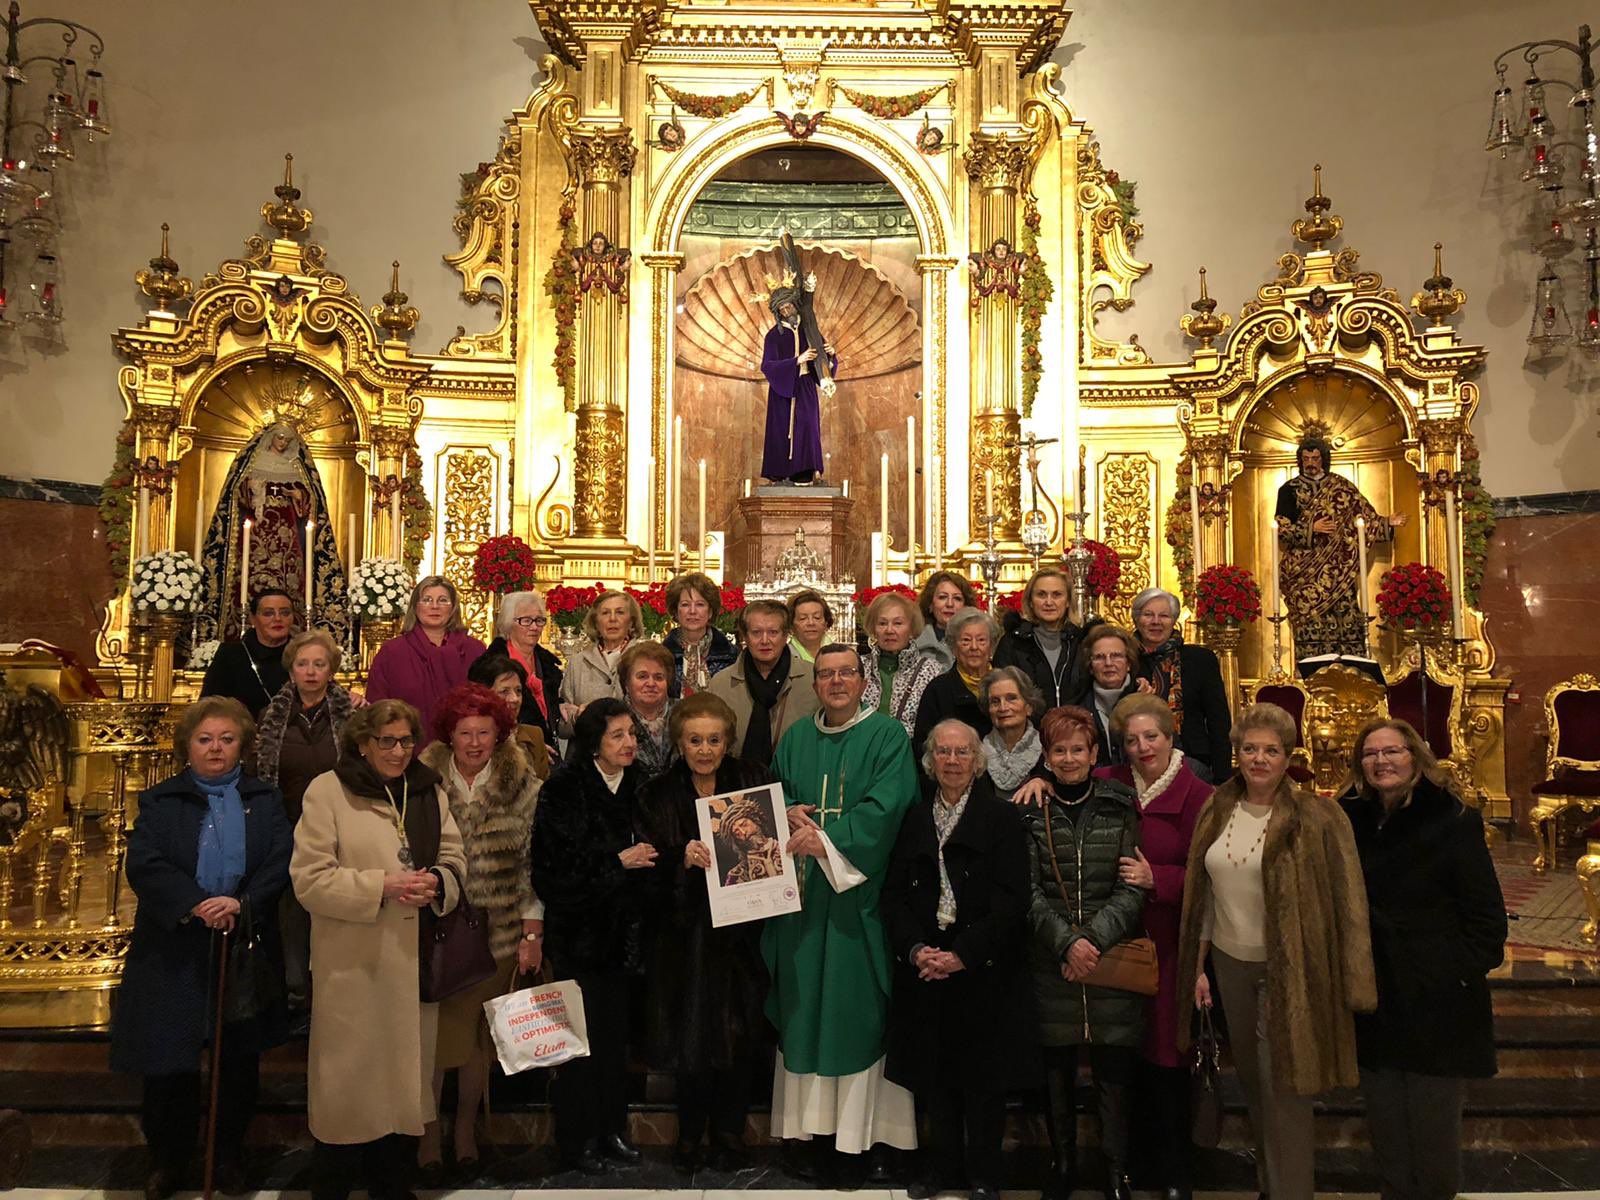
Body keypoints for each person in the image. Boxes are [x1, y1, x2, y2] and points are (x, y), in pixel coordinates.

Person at [1176, 703, 1377, 1200]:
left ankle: (1292, 1192)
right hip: (1229, 965)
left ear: (1289, 757)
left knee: (1285, 1089)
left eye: (1270, 750)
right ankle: (1271, 1184)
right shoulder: (1217, 807)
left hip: (1290, 968)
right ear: (1236, 754)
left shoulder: (1318, 816)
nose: (1259, 759)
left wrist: (1351, 977)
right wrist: (1198, 966)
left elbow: (1348, 901)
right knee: (1255, 1085)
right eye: (1249, 749)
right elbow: (1202, 894)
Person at [111, 697, 292, 1200]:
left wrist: (239, 904)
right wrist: (195, 904)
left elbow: (279, 859)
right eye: (205, 739)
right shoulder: (160, 801)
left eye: (227, 739)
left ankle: (227, 1156)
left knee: (236, 1061)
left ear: (243, 746)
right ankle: (168, 1160)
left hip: (241, 942)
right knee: (169, 1061)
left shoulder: (265, 799)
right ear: (188, 746)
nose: (216, 749)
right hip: (173, 946)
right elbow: (145, 864)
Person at [291, 699, 466, 1200]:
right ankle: (335, 1184)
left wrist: (437, 880)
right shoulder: (329, 791)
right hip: (354, 962)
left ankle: (392, 1182)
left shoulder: (427, 790)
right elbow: (309, 880)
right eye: (386, 741)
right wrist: (381, 886)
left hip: (412, 959)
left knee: (401, 1085)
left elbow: (454, 855)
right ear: (363, 744)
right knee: (347, 1088)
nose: (397, 751)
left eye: (406, 741)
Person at [764, 643, 920, 1181]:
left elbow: (890, 807)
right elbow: (769, 805)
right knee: (803, 1009)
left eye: (845, 674)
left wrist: (826, 840)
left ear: (862, 681)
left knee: (855, 1014)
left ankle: (861, 1137)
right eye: (826, 674)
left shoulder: (888, 736)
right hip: (802, 901)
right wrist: (783, 816)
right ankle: (806, 1135)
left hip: (859, 899)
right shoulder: (796, 738)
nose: (835, 683)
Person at [1339, 719, 1507, 1200]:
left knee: (1433, 1140)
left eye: (1392, 751)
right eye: (1370, 754)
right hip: (1375, 996)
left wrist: (1448, 972)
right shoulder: (1347, 819)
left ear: (1415, 756)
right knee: (1387, 1132)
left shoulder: (1452, 819)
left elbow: (1487, 920)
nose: (1381, 762)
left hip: (1438, 1002)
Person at [883, 719, 1035, 1200]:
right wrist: (916, 950)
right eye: (943, 753)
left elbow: (1013, 901)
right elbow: (893, 898)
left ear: (978, 760)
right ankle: (940, 1168)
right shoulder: (913, 818)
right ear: (930, 761)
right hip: (926, 965)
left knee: (981, 1080)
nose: (952, 761)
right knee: (934, 1075)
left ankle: (985, 1173)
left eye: (962, 752)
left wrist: (961, 955)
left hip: (979, 967)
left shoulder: (1002, 819)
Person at [636, 692, 773, 1173]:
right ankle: (690, 1135)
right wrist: (680, 860)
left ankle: (731, 1133)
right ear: (679, 742)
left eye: (714, 740)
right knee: (691, 1040)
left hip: (742, 935)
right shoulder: (656, 794)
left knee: (739, 1038)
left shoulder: (753, 781)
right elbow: (645, 874)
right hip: (685, 938)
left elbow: (769, 855)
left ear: (728, 741)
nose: (704, 749)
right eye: (694, 740)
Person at [418, 684, 543, 1181]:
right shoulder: (421, 783)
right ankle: (427, 1136)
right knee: (433, 1041)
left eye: (484, 733)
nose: (474, 743)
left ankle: (465, 1130)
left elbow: (535, 864)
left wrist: (533, 929)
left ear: (500, 735)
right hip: (436, 932)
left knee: (476, 1045)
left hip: (499, 930)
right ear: (449, 735)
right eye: (464, 733)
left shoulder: (525, 787)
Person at [1023, 705, 1145, 1200]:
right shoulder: (1031, 813)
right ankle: (1063, 1164)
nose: (1069, 758)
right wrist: (1065, 942)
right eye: (1059, 750)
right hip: (1052, 961)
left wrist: (1091, 939)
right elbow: (1026, 892)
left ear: (1095, 753)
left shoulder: (1120, 807)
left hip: (1107, 957)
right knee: (1055, 1071)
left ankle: (1117, 1171)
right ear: (1046, 757)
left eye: (1078, 749)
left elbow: (1132, 885)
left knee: (1113, 1070)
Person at [530, 698, 655, 1175]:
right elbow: (552, 871)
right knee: (579, 1045)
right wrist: (616, 864)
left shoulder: (643, 784)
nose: (628, 743)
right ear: (593, 743)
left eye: (631, 734)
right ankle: (576, 1138)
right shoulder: (564, 788)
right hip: (579, 936)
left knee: (615, 1041)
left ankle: (611, 1130)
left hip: (628, 938)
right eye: (617, 735)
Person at [1095, 693, 1212, 1200]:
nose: (1142, 748)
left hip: (1171, 942)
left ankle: (1175, 1173)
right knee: (1123, 1057)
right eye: (1132, 740)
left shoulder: (1199, 795)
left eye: (1152, 737)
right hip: (1116, 944)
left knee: (1168, 1059)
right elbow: (1067, 781)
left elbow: (1213, 876)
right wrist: (1037, 779)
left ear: (1171, 738)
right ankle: (1129, 1168)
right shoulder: (1112, 783)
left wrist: (1155, 878)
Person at [254, 629, 354, 1017]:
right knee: (292, 916)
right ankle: (296, 996)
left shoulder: (351, 717)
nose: (311, 672)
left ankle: (335, 994)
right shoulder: (271, 719)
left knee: (335, 912)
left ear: (331, 670)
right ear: (291, 669)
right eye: (302, 664)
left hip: (340, 831)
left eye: (319, 664)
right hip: (290, 828)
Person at [1276, 435, 1406, 659]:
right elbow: (1280, 528)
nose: (1310, 463)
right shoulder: (1289, 490)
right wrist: (1311, 527)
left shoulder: (1341, 486)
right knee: (1310, 625)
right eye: (1306, 458)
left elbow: (1364, 518)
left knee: (1346, 618)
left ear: (1323, 460)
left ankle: (1351, 675)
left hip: (1340, 571)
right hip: (1305, 573)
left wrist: (1386, 523)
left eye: (1315, 458)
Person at [365, 576, 487, 748]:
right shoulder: (392, 652)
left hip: (468, 750)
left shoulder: (475, 650)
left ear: (453, 608)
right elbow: (377, 707)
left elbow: (489, 704)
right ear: (415, 606)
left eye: (443, 600)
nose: (435, 606)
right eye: (427, 600)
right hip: (406, 751)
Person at [1129, 587, 1233, 783]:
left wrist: (1222, 780)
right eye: (1148, 615)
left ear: (1174, 621)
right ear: (1136, 619)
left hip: (1191, 760)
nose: (1156, 622)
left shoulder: (1200, 659)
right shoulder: (1124, 659)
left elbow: (1218, 722)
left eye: (1164, 616)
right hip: (1137, 760)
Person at [705, 598, 818, 766]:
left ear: (786, 635)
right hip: (737, 783)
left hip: (797, 780)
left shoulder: (812, 679)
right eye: (756, 632)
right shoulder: (721, 684)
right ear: (745, 636)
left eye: (773, 632)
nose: (765, 641)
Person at [760, 282, 835, 484]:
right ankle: (780, 472)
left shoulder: (809, 330)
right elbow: (767, 366)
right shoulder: (773, 336)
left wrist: (830, 355)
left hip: (805, 388)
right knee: (781, 429)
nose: (786, 311)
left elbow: (823, 363)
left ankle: (806, 471)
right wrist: (797, 361)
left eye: (788, 306)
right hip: (782, 391)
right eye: (781, 309)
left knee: (808, 427)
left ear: (795, 304)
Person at [994, 567, 1099, 708]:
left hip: (1076, 725)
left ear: (1068, 601)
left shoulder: (1082, 642)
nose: (1049, 602)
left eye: (1057, 595)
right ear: (1031, 601)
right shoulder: (1013, 643)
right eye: (1041, 595)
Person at [912, 606, 998, 758]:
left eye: (981, 640)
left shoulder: (1005, 685)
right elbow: (923, 745)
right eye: (965, 640)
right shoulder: (938, 689)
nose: (974, 647)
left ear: (991, 647)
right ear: (953, 648)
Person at [483, 589, 563, 749]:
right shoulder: (489, 666)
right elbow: (484, 716)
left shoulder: (547, 664)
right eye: (526, 620)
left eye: (539, 620)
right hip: (508, 749)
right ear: (508, 622)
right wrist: (527, 741)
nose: (534, 627)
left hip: (547, 751)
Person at [860, 589, 943, 738]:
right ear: (873, 629)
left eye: (898, 623)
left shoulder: (932, 671)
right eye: (882, 623)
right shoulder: (859, 668)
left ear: (911, 629)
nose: (889, 630)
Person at [200, 589, 295, 719]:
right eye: (268, 613)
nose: (278, 618)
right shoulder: (231, 655)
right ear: (253, 619)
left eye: (285, 613)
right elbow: (209, 706)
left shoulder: (302, 653)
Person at [559, 588, 645, 729]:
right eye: (605, 613)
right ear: (596, 623)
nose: (612, 619)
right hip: (586, 747)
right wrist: (577, 717)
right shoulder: (578, 662)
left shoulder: (644, 658)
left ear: (631, 622)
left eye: (620, 612)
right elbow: (562, 726)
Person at [467, 653, 552, 778]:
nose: (515, 699)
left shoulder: (534, 736)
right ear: (482, 696)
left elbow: (545, 793)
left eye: (518, 691)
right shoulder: (468, 739)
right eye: (504, 691)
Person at [1079, 626, 1154, 768]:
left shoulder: (1147, 702)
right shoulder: (1078, 710)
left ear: (1129, 664)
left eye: (1116, 656)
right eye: (1099, 657)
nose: (1108, 663)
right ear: (1090, 667)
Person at [663, 572, 738, 695]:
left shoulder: (731, 655)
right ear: (676, 612)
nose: (692, 611)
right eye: (685, 605)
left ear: (710, 612)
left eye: (700, 604)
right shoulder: (663, 655)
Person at [978, 666, 1045, 802]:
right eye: (995, 701)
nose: (1003, 708)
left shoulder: (1048, 749)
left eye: (1011, 698)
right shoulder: (976, 753)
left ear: (1029, 707)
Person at [620, 640, 678, 779]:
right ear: (626, 683)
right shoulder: (613, 717)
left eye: (658, 677)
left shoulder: (684, 713)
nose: (651, 683)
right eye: (642, 676)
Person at [913, 571, 979, 671]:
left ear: (966, 606)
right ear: (930, 604)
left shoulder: (978, 643)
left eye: (957, 598)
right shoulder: (914, 645)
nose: (949, 604)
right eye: (942, 597)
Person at [787, 588, 835, 663]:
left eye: (817, 617)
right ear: (791, 625)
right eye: (803, 618)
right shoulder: (783, 657)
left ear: (826, 623)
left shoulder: (842, 655)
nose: (811, 623)